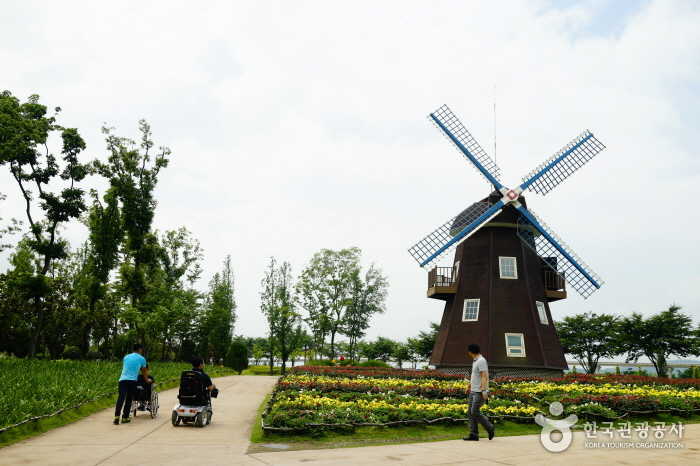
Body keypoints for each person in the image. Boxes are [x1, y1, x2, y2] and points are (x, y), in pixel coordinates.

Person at [464, 343, 495, 441]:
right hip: (473, 390)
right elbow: (475, 376)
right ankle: (474, 434)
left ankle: (490, 427)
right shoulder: (475, 361)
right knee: (470, 412)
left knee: (474, 412)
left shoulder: (481, 361)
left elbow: (484, 376)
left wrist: (483, 390)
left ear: (470, 352)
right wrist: (469, 386)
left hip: (479, 391)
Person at [114, 343, 150, 425]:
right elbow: (144, 371)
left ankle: (116, 417)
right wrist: (147, 380)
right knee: (129, 399)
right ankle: (125, 418)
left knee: (120, 398)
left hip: (122, 380)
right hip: (132, 381)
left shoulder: (126, 357)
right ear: (140, 349)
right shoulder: (142, 359)